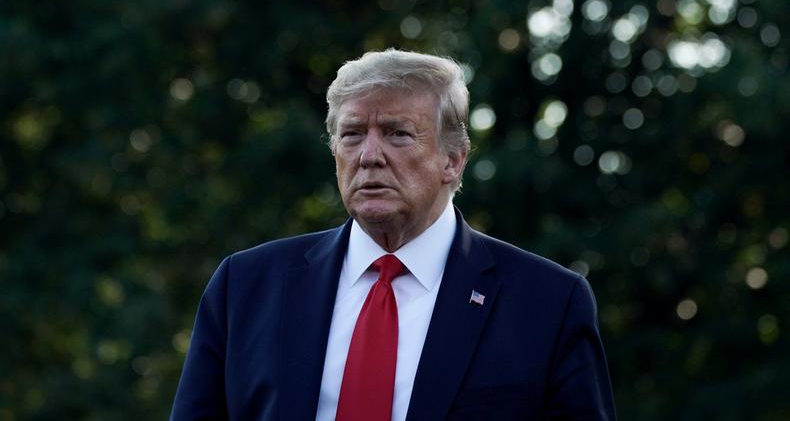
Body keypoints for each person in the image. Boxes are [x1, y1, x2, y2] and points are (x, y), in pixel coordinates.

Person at [170, 49, 616, 420]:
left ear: (454, 161)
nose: (369, 156)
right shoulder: (245, 285)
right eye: (352, 134)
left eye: (397, 134)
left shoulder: (547, 302)